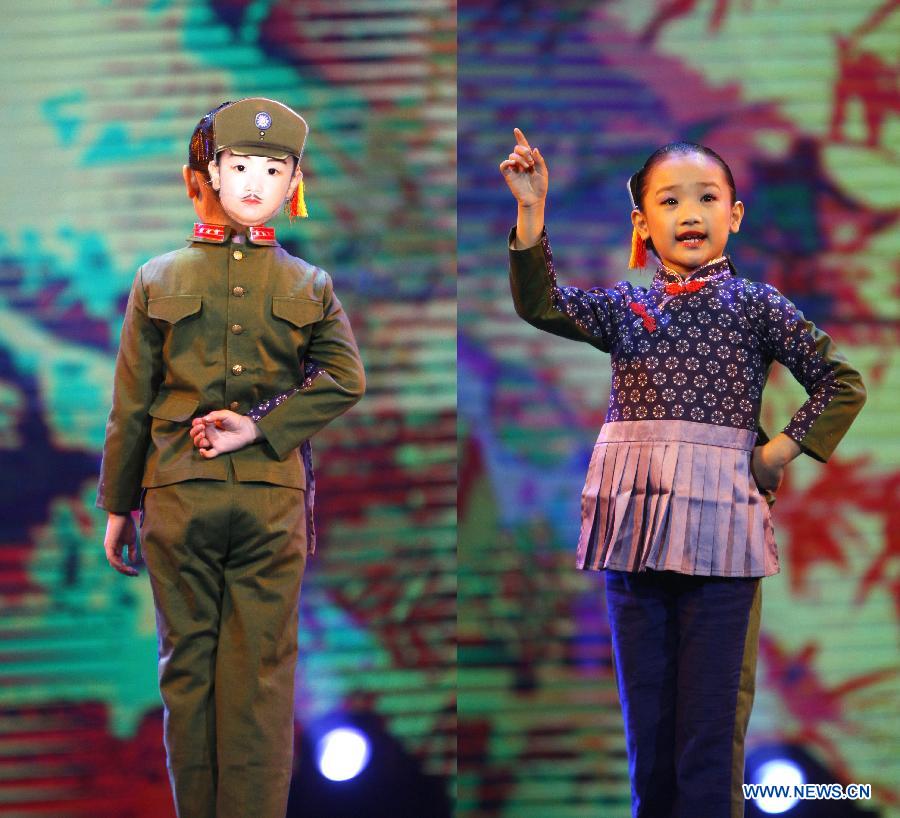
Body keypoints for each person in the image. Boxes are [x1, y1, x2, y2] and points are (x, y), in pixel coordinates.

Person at [500, 129, 865, 818]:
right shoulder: (626, 308)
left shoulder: (756, 305)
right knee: (652, 746)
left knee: (707, 745)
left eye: (707, 197)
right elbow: (540, 302)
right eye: (669, 200)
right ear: (643, 223)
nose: (689, 212)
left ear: (735, 213)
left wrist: (775, 453)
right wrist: (531, 210)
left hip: (721, 543)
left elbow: (840, 383)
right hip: (636, 541)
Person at [98, 97, 365, 818]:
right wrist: (265, 429)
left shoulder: (157, 279)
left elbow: (131, 406)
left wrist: (118, 504)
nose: (253, 180)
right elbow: (346, 380)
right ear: (211, 172)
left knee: (188, 677)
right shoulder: (309, 286)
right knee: (261, 683)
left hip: (177, 500)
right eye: (240, 165)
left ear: (292, 181)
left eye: (269, 168)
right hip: (268, 504)